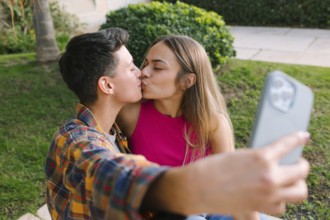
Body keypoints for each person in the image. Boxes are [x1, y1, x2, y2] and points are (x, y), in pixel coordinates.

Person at [45, 27, 310, 220]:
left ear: (188, 81)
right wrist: (184, 188)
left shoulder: (115, 129)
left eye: (150, 66)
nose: (141, 73)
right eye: (132, 68)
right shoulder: (76, 139)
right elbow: (111, 175)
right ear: (107, 84)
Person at [116, 35, 259, 220]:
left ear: (187, 81)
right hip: (161, 212)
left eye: (157, 67)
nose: (144, 72)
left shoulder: (212, 122)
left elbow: (231, 184)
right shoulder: (131, 114)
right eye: (146, 63)